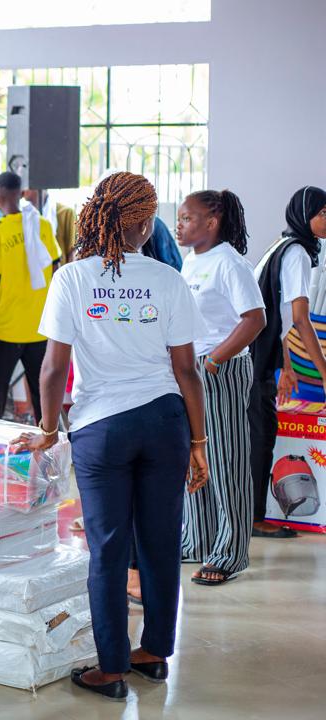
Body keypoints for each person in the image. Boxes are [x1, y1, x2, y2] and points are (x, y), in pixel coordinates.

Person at [13, 172, 207, 701]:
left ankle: (112, 669)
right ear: (144, 225)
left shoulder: (72, 278)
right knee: (161, 542)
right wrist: (198, 443)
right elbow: (186, 371)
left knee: (108, 549)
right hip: (165, 423)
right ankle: (155, 653)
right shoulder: (168, 279)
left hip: (101, 428)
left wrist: (48, 430)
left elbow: (53, 369)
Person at [175, 190, 265, 584]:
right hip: (192, 371)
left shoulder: (230, 263)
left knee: (226, 461)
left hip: (220, 370)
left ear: (212, 222)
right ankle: (199, 539)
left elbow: (255, 319)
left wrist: (214, 360)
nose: (179, 226)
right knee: (195, 455)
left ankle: (230, 553)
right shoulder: (192, 260)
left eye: (187, 218)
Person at [250, 186, 326, 539]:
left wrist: (288, 367)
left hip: (257, 352)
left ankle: (251, 513)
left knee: (260, 432)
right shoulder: (297, 253)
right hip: (254, 356)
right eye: (323, 213)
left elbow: (276, 311)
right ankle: (254, 518)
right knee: (260, 435)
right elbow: (299, 318)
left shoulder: (283, 245)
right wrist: (323, 372)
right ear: (304, 215)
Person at [0, 172, 61, 422]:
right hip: (40, 326)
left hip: (5, 327)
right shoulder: (43, 225)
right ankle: (50, 441)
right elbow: (56, 268)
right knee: (43, 394)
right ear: (22, 193)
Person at [23, 187, 77, 263]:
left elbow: (72, 252)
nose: (23, 188)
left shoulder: (66, 213)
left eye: (27, 184)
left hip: (58, 269)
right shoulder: (22, 215)